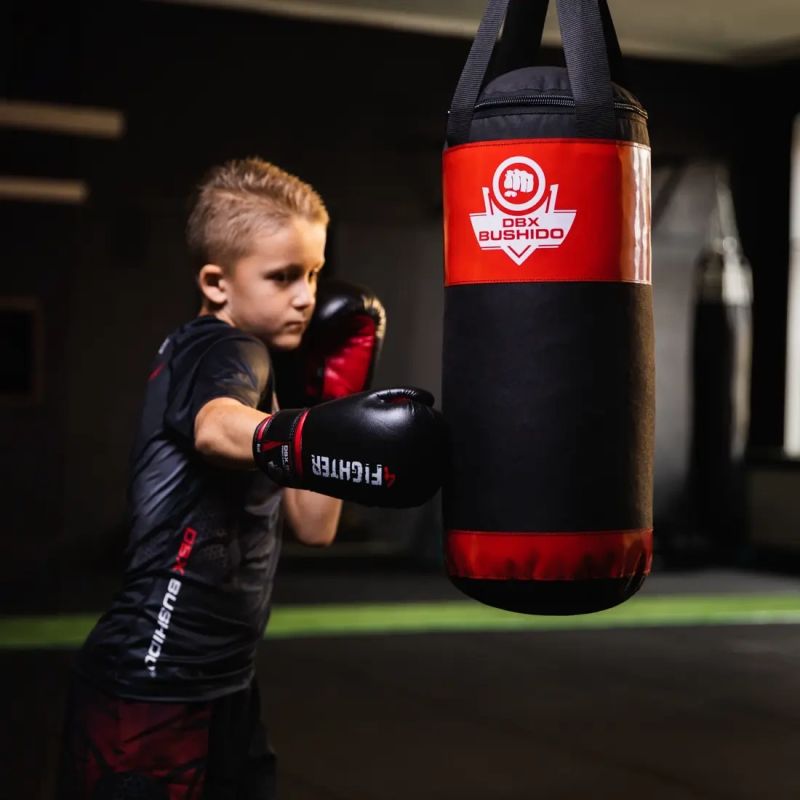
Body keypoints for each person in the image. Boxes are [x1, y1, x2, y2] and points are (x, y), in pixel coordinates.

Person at [57, 157, 444, 799]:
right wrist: (309, 432)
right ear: (217, 283)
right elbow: (215, 427)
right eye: (283, 276)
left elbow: (315, 527)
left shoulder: (270, 377)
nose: (306, 296)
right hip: (154, 680)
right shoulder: (221, 347)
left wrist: (323, 403)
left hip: (225, 679)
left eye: (313, 273)